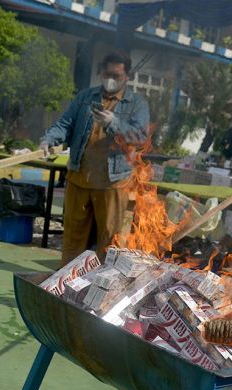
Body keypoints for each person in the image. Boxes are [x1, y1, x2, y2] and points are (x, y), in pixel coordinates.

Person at [40, 51, 150, 264]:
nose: (111, 80)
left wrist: (114, 123)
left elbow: (140, 137)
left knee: (110, 240)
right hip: (80, 178)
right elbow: (65, 124)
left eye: (117, 76)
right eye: (108, 74)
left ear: (127, 77)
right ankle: (66, 282)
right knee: (73, 237)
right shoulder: (85, 97)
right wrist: (49, 139)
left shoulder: (137, 104)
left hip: (113, 182)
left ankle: (102, 288)